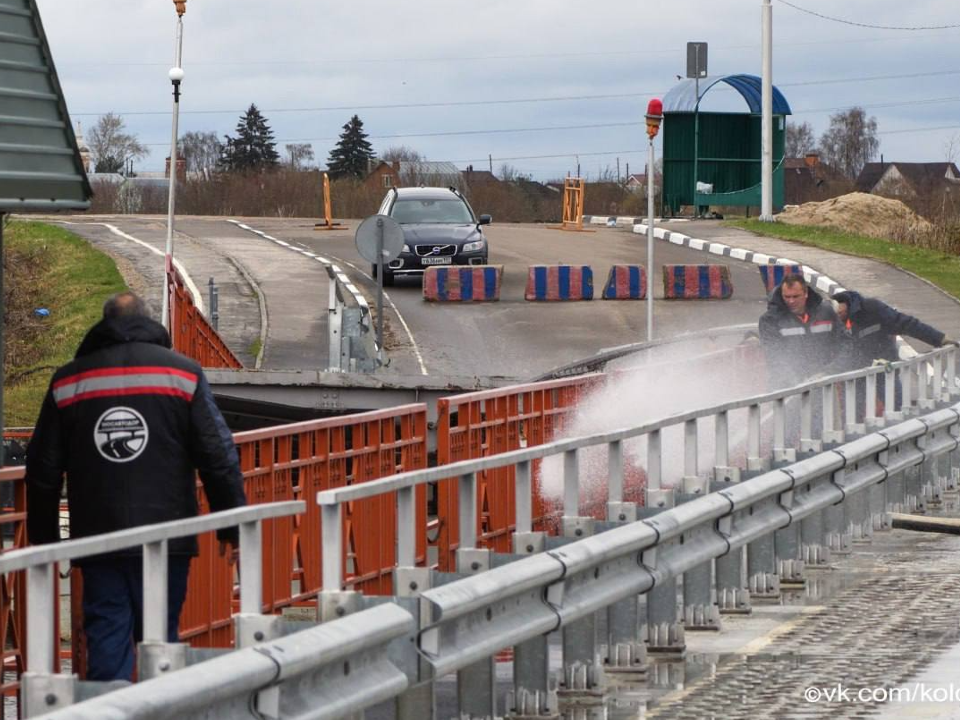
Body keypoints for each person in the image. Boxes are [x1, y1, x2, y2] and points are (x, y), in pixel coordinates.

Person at [25, 291, 247, 681]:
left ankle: (108, 708)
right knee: (160, 641)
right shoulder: (183, 374)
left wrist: (46, 544)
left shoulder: (69, 381)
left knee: (107, 635)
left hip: (98, 538)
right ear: (149, 324)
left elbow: (42, 471)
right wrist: (233, 527)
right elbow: (218, 457)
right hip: (167, 536)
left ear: (103, 325)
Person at [834, 290, 954, 368]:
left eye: (839, 311)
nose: (838, 314)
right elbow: (844, 351)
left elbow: (906, 324)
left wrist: (939, 338)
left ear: (846, 304)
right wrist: (829, 371)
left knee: (895, 404)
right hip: (856, 376)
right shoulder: (841, 323)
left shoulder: (872, 309)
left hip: (886, 369)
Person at [759, 274, 840, 388]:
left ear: (806, 293)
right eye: (787, 297)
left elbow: (844, 343)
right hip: (786, 388)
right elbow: (774, 356)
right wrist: (796, 382)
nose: (791, 301)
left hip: (823, 383)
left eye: (796, 296)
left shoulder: (826, 312)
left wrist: (831, 370)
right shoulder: (770, 320)